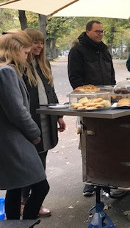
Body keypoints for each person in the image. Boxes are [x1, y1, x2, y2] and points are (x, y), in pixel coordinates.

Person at [0, 30, 50, 220]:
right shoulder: (7, 72)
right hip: (14, 140)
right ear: (16, 49)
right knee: (40, 186)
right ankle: (26, 223)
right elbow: (17, 111)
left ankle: (13, 223)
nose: (27, 56)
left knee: (16, 185)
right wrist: (34, 133)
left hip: (9, 140)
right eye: (25, 52)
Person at [21, 29, 66, 217]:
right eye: (34, 42)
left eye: (41, 42)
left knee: (42, 157)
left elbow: (51, 91)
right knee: (30, 162)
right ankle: (26, 202)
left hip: (46, 118)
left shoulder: (43, 63)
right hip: (30, 120)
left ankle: (34, 202)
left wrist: (59, 116)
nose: (39, 46)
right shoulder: (20, 66)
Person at [68, 20, 116, 196]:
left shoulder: (104, 50)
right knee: (88, 142)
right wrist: (86, 97)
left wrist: (112, 92)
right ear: (87, 31)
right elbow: (75, 78)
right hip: (88, 104)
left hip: (106, 102)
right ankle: (90, 179)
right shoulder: (77, 51)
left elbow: (111, 74)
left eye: (102, 31)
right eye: (97, 31)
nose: (100, 34)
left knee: (107, 140)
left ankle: (107, 177)